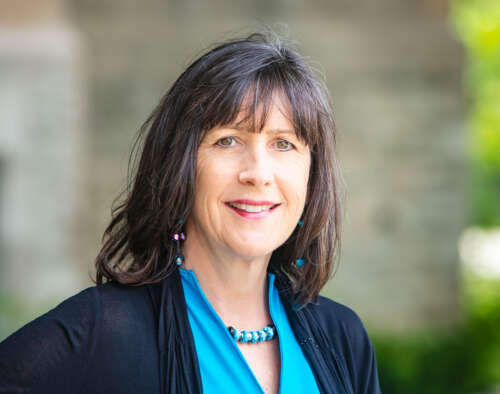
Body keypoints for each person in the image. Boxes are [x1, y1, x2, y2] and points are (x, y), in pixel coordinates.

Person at [0, 33, 381, 394]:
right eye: (228, 140)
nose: (259, 173)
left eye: (283, 144)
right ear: (180, 165)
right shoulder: (105, 328)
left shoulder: (342, 337)